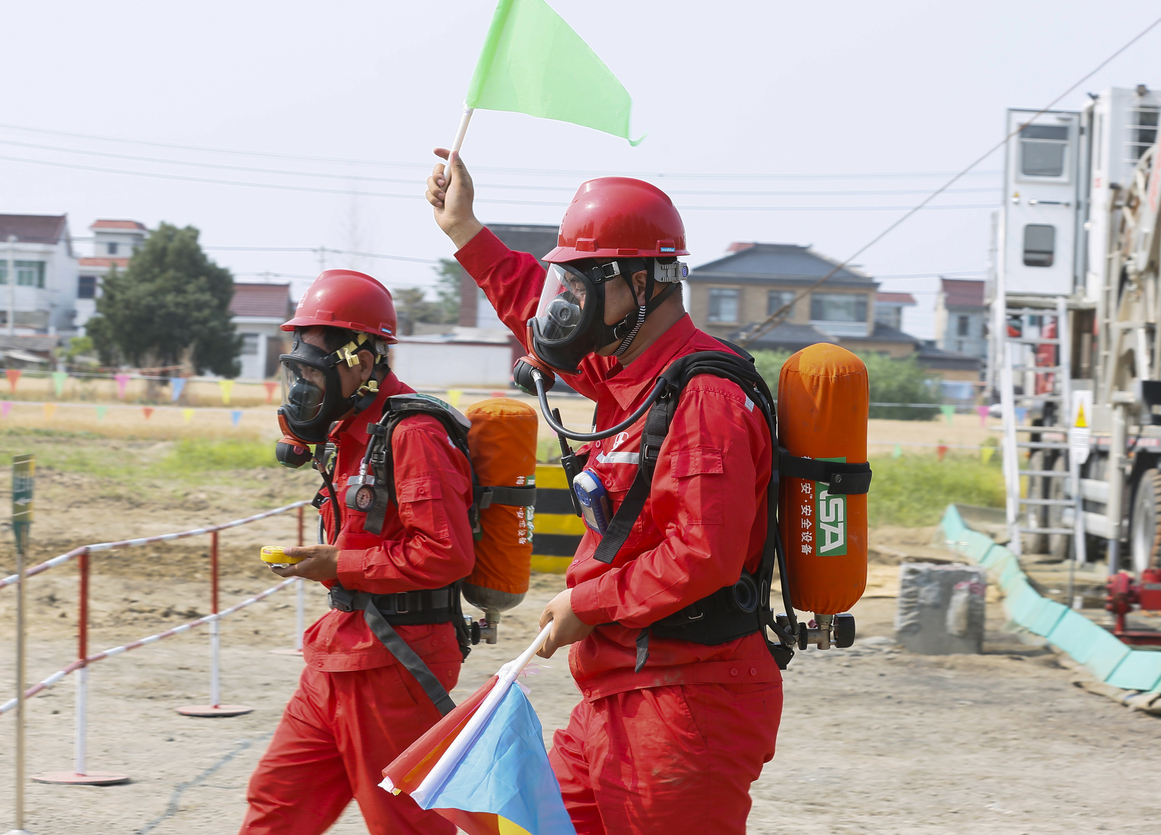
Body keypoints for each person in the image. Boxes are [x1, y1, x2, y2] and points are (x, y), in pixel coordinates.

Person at [426, 152, 784, 834]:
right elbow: (533, 305)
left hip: (687, 702)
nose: (568, 302)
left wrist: (586, 602)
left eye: (585, 283)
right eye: (569, 281)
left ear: (640, 283)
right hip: (617, 694)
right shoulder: (631, 378)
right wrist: (465, 229)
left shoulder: (705, 394)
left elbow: (702, 552)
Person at [240, 269, 474, 835]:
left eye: (313, 371)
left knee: (403, 824)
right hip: (339, 649)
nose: (302, 388)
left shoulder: (412, 431)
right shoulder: (350, 432)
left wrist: (335, 564)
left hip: (397, 659)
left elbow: (446, 553)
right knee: (276, 803)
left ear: (362, 364)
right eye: (296, 371)